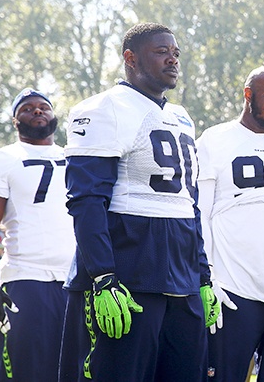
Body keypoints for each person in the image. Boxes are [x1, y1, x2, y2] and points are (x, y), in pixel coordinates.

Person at [59, 22, 219, 382]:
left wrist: (203, 274)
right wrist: (102, 276)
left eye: (176, 53)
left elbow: (188, 202)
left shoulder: (182, 117)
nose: (173, 59)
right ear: (131, 58)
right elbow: (86, 200)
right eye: (162, 51)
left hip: (182, 275)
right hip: (128, 271)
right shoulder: (103, 108)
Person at [196, 66, 264, 381]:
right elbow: (200, 211)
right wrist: (207, 276)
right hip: (232, 286)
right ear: (248, 95)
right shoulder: (215, 139)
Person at [0, 87, 76, 381]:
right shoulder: (0, 158)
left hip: (76, 282)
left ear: (54, 115)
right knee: (26, 372)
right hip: (27, 281)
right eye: (26, 108)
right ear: (15, 121)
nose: (37, 111)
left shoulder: (76, 156)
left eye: (44, 106)